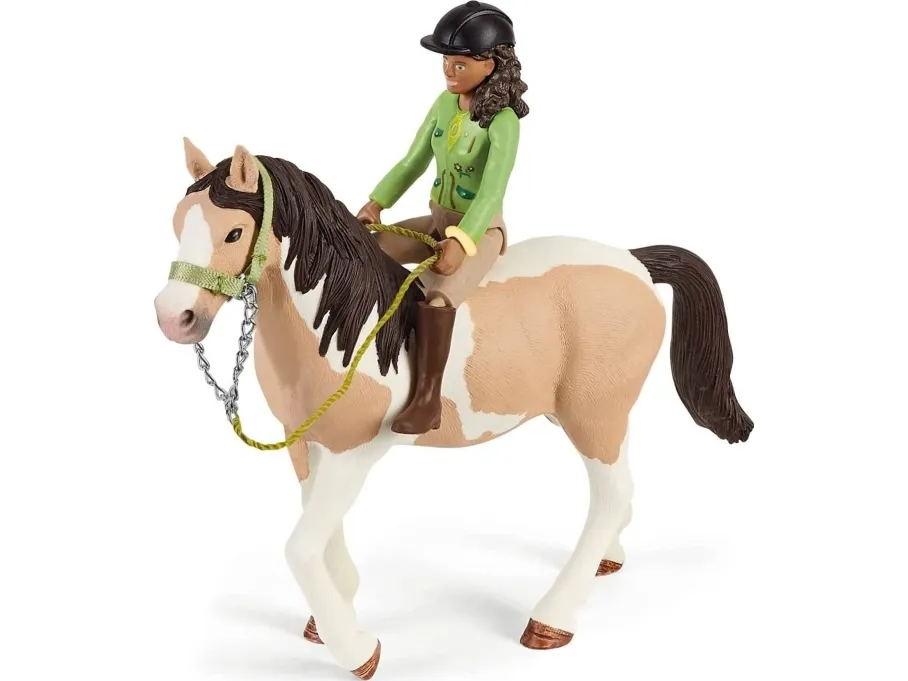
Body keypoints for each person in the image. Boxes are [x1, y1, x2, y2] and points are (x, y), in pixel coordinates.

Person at [356, 1, 529, 435]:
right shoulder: (444, 104)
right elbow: (412, 161)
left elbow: (491, 193)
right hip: (437, 220)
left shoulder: (503, 122)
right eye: (446, 62)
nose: (449, 71)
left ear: (490, 64)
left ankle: (428, 399)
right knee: (365, 246)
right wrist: (377, 203)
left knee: (437, 298)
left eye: (460, 63)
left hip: (478, 230)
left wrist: (463, 241)